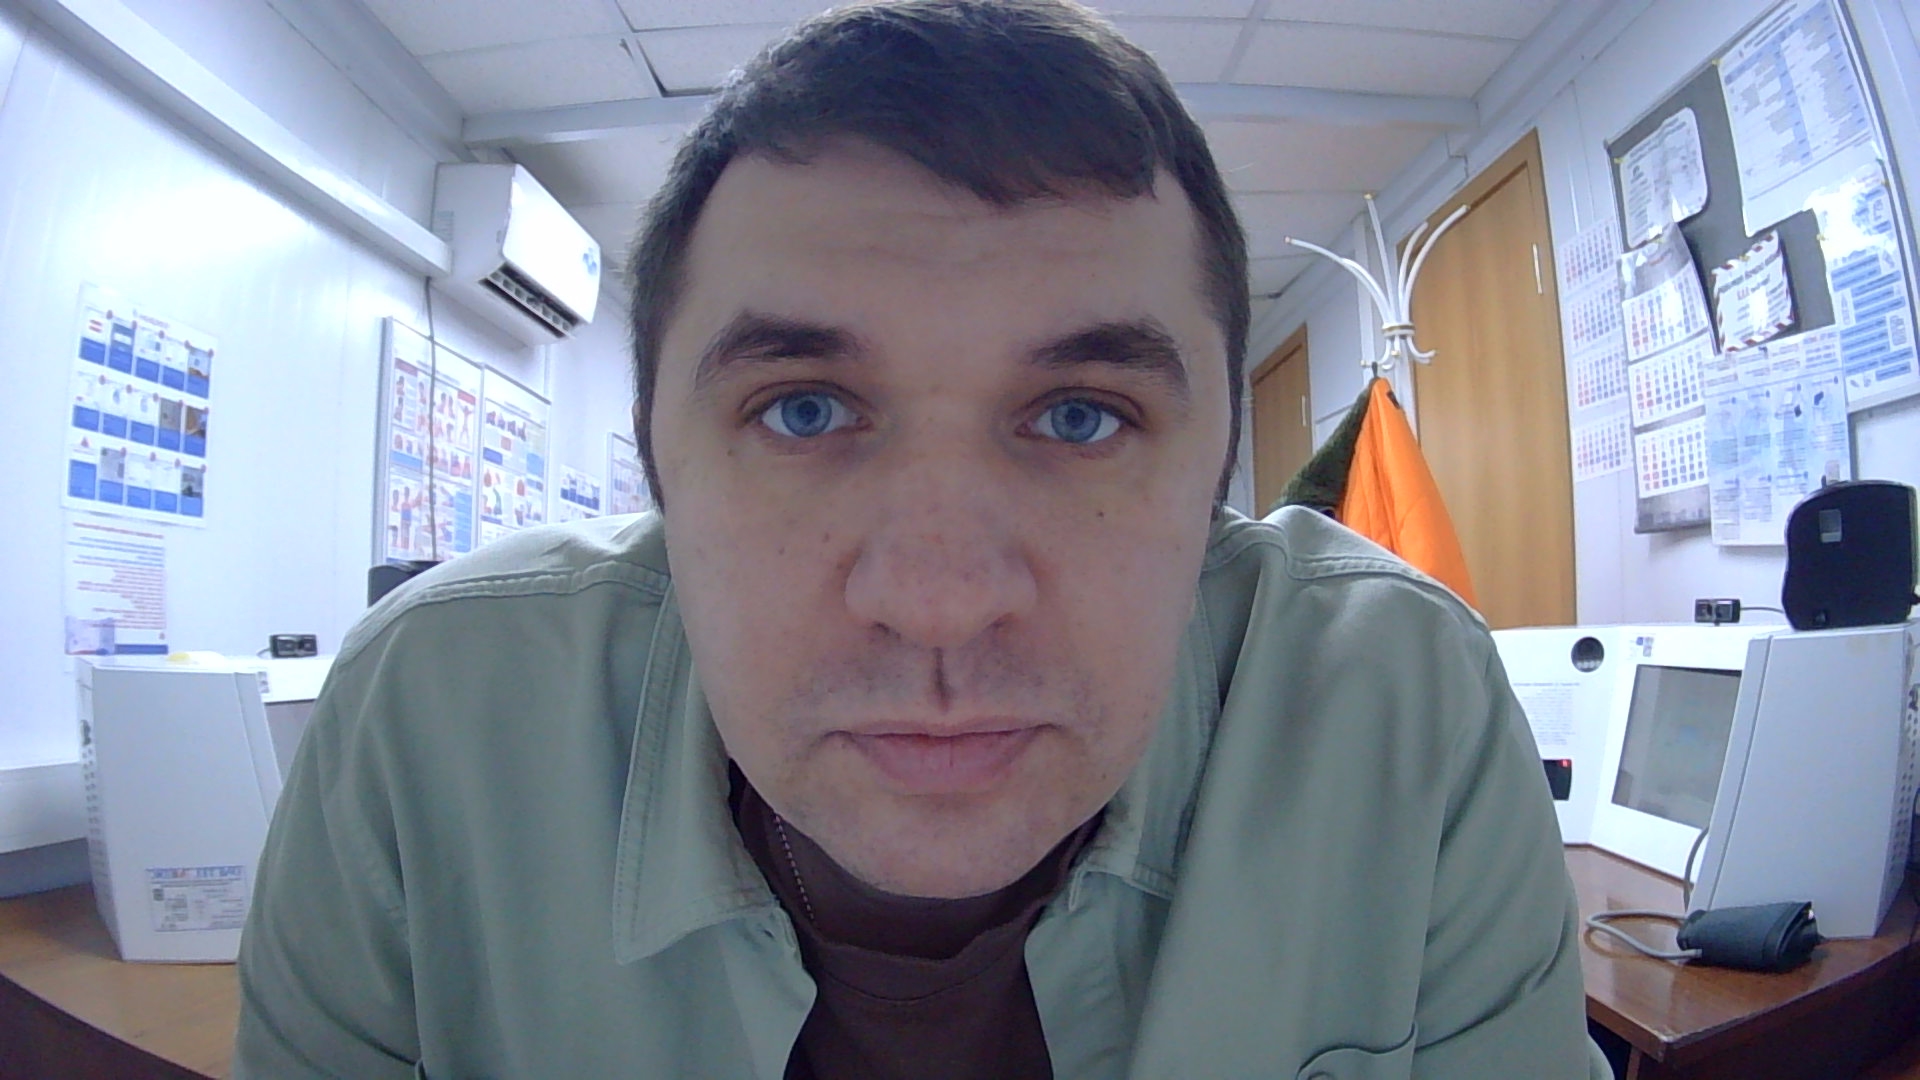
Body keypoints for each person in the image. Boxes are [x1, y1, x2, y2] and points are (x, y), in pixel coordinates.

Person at [235, 2, 1605, 1077]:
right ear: (660, 473)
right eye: (804, 409)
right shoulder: (428, 723)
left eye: (1080, 416)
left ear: (1217, 484)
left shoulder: (1399, 706)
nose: (941, 602)